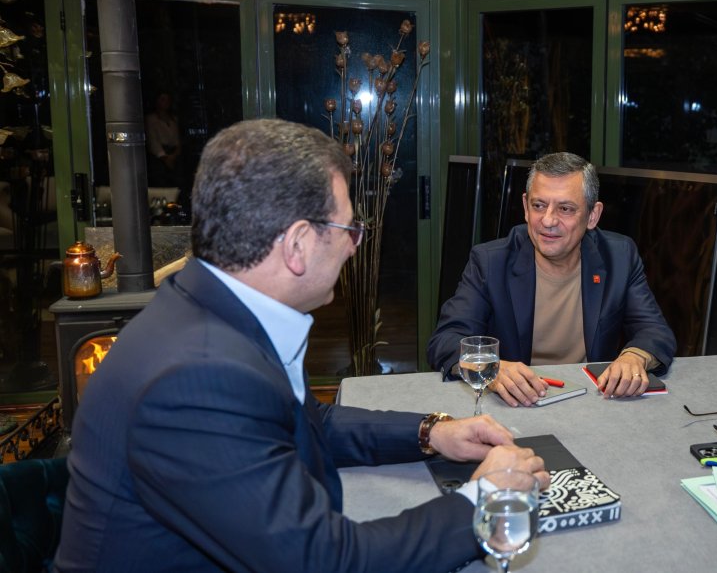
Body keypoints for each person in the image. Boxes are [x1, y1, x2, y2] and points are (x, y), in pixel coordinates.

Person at [55, 119, 548, 573]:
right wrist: (487, 500)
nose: (355, 245)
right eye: (349, 229)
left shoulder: (212, 314)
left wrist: (432, 432)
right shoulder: (197, 378)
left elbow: (306, 423)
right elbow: (327, 562)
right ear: (296, 245)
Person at [428, 152, 676, 404]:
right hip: (516, 405)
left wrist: (634, 357)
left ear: (593, 215)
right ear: (525, 208)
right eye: (539, 205)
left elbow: (654, 330)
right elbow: (446, 340)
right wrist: (492, 368)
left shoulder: (619, 256)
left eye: (565, 209)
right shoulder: (490, 261)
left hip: (594, 401)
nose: (548, 220)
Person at [144, 91, 181, 187]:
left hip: (173, 154)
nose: (166, 102)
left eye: (168, 100)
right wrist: (164, 157)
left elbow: (177, 138)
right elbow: (152, 140)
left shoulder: (174, 119)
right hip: (159, 157)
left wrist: (174, 154)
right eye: (162, 99)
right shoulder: (151, 119)